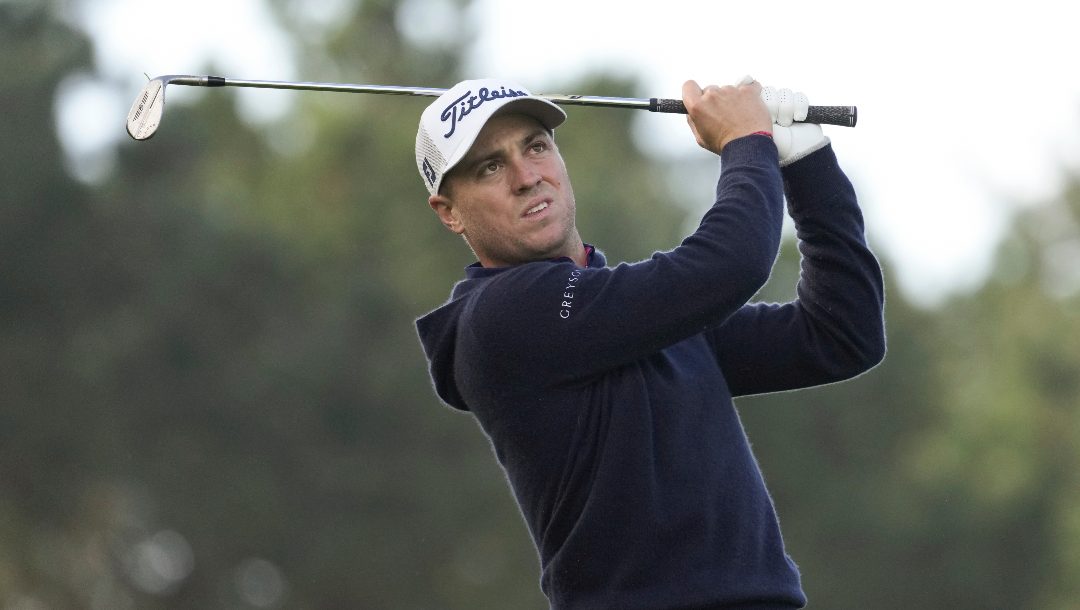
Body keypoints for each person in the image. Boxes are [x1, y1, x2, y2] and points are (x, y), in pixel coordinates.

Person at [413, 75, 886, 609]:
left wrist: (807, 164)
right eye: (489, 167)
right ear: (449, 211)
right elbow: (729, 264)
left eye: (536, 146)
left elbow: (842, 334)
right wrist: (746, 142)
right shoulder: (502, 316)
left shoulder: (631, 316)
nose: (527, 177)